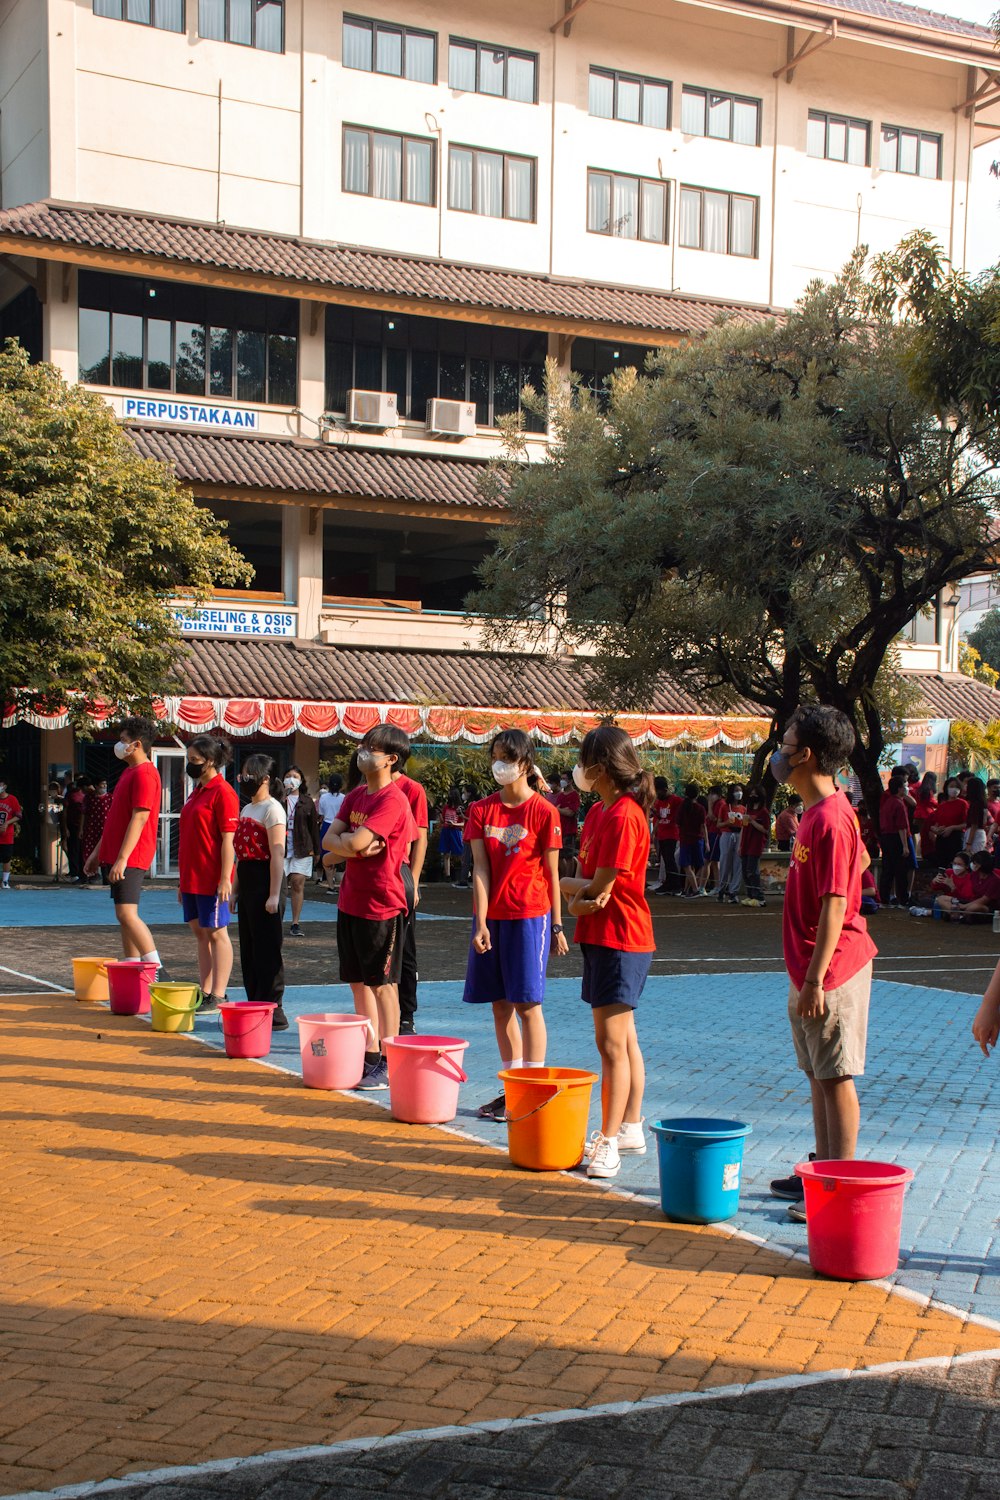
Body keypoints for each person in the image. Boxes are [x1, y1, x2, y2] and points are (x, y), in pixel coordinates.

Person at [768, 705, 877, 1224]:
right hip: (808, 969)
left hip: (830, 970)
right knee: (817, 1074)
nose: (779, 751)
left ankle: (839, 1186)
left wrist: (815, 978)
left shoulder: (831, 817)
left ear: (805, 754)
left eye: (785, 742)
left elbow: (836, 901)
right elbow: (860, 863)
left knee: (836, 1077)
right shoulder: (815, 813)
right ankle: (821, 1171)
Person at [560, 725, 654, 1180]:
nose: (578, 768)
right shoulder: (599, 812)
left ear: (600, 767)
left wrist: (563, 887)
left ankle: (609, 1140)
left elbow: (601, 887)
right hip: (599, 934)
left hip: (622, 937)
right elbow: (590, 889)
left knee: (611, 1043)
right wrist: (578, 896)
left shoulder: (624, 816)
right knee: (623, 1038)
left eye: (583, 760)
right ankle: (631, 1125)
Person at [462, 730, 566, 1122]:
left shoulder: (545, 812)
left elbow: (554, 873)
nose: (499, 764)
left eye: (506, 757)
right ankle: (512, 1088)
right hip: (493, 918)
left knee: (528, 1004)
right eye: (495, 756)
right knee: (500, 1005)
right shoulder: (481, 810)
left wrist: (556, 925)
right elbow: (481, 869)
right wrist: (481, 922)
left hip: (530, 917)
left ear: (525, 763)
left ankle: (533, 1091)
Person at [322, 726, 418, 1090]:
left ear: (390, 759)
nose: (363, 753)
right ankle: (370, 1053)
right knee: (358, 984)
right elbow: (329, 843)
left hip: (382, 903)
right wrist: (350, 848)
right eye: (364, 746)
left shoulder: (393, 800)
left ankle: (392, 1059)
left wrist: (345, 846)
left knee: (383, 986)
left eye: (372, 748)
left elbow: (352, 840)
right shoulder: (356, 795)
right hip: (351, 901)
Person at [84, 718, 166, 973]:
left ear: (137, 745)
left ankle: (157, 969)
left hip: (132, 855)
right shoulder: (129, 772)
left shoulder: (145, 774)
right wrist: (98, 853)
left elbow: (140, 817)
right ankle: (131, 968)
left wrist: (122, 858)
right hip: (118, 854)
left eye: (123, 741)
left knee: (127, 915)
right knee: (124, 918)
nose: (119, 745)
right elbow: (115, 821)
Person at [178, 735, 239, 1013]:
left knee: (217, 932)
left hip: (212, 876)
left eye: (195, 760)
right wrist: (182, 881)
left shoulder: (223, 793)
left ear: (211, 761)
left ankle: (220, 993)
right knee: (200, 932)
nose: (190, 765)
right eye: (188, 760)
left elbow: (229, 839)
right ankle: (205, 990)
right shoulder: (196, 792)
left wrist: (225, 878)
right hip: (192, 875)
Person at [233, 754, 288, 1027]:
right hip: (248, 880)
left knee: (268, 949)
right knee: (250, 948)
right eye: (244, 773)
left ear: (266, 779)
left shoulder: (273, 809)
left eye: (251, 774)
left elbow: (277, 855)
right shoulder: (246, 810)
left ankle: (273, 1008)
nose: (246, 778)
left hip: (267, 880)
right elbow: (240, 856)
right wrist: (235, 890)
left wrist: (274, 894)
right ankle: (254, 1001)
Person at [386, 728, 429, 1037]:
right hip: (372, 879)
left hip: (400, 875)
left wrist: (413, 881)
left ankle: (406, 1014)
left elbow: (421, 837)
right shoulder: (365, 788)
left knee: (405, 948)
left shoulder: (412, 790)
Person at [282, 766, 319, 938]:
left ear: (301, 780)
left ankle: (295, 922)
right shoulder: (278, 800)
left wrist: (317, 851)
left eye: (295, 776)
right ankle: (276, 920)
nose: (291, 779)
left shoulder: (307, 801)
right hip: (280, 848)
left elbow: (313, 828)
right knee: (280, 886)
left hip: (302, 847)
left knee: (297, 882)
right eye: (288, 776)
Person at [878, 774, 911, 907]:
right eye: (904, 786)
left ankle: (884, 898)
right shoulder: (899, 803)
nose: (906, 789)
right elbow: (901, 827)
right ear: (899, 789)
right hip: (896, 838)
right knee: (900, 871)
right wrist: (905, 846)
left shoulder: (887, 803)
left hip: (886, 838)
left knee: (888, 870)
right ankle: (903, 899)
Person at [650, 777, 682, 896]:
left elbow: (680, 815)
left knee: (670, 860)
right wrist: (654, 832)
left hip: (672, 834)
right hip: (662, 834)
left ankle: (676, 885)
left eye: (657, 791)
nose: (657, 794)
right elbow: (659, 818)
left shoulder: (676, 800)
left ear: (664, 789)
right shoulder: (659, 802)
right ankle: (669, 883)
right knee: (666, 861)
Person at [739, 789, 770, 907]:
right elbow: (744, 827)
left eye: (754, 794)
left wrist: (752, 821)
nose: (752, 796)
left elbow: (765, 829)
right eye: (751, 794)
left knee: (753, 871)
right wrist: (740, 844)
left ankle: (759, 897)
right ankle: (750, 895)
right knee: (745, 871)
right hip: (746, 844)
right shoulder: (749, 810)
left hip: (755, 844)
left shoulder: (763, 812)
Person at [677, 782, 708, 898]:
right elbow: (703, 826)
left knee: (687, 866)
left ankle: (694, 889)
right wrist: (707, 841)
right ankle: (688, 889)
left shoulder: (682, 807)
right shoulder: (700, 808)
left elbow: (678, 823)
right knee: (696, 865)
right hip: (697, 839)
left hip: (685, 839)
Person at [929, 777, 968, 867]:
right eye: (951, 786)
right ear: (946, 788)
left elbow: (966, 823)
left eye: (957, 787)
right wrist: (936, 829)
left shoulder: (963, 804)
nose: (954, 789)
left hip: (956, 838)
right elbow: (936, 823)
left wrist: (952, 828)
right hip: (942, 839)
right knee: (942, 864)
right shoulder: (942, 805)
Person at [548, 772, 582, 878]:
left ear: (571, 781)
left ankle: (568, 878)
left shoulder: (574, 795)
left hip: (569, 830)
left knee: (569, 856)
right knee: (559, 856)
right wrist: (562, 810)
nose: (562, 781)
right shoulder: (562, 795)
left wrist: (560, 810)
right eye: (561, 778)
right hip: (559, 830)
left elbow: (570, 812)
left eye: (564, 778)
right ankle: (562, 877)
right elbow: (556, 809)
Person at [716, 785, 746, 904]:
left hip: (739, 834)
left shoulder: (744, 808)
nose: (739, 793)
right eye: (736, 791)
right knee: (725, 862)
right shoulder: (725, 807)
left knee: (737, 863)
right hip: (727, 834)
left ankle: (733, 891)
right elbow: (718, 824)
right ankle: (721, 889)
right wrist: (727, 822)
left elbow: (745, 824)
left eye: (740, 791)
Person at [317, 773, 345, 895]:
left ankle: (330, 885)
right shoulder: (344, 798)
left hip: (327, 825)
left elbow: (321, 814)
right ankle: (337, 881)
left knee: (326, 855)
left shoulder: (323, 798)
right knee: (339, 853)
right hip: (340, 825)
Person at [82, 776, 112, 882]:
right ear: (96, 786)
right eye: (102, 784)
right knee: (90, 850)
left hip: (106, 828)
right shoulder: (89, 798)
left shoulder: (110, 798)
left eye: (105, 784)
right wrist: (82, 829)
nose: (104, 786)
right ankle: (90, 875)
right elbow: (84, 814)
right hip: (92, 828)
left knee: (105, 851)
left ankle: (106, 877)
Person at [0, 777, 22, 890]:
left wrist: (7, 823)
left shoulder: (12, 799)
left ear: (4, 786)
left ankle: (5, 881)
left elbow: (18, 815)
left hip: (7, 834)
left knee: (6, 858)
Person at [912, 772, 939, 866]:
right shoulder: (929, 790)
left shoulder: (919, 789)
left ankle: (920, 853)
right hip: (926, 814)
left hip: (918, 814)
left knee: (922, 835)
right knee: (927, 836)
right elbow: (932, 802)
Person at [64, 779, 87, 882]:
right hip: (73, 825)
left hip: (86, 826)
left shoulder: (87, 795)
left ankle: (84, 873)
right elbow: (65, 812)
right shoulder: (71, 795)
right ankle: (74, 873)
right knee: (74, 850)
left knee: (83, 850)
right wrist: (65, 828)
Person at [962, 776, 991, 857]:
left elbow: (974, 825)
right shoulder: (982, 803)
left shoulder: (976, 805)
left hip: (974, 835)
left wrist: (969, 843)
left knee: (971, 858)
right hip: (980, 834)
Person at [438, 792, 465, 880]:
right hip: (446, 830)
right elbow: (442, 820)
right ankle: (447, 874)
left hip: (456, 831)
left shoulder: (459, 809)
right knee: (446, 853)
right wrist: (439, 815)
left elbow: (463, 823)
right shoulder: (446, 807)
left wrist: (454, 824)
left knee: (460, 853)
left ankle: (466, 873)